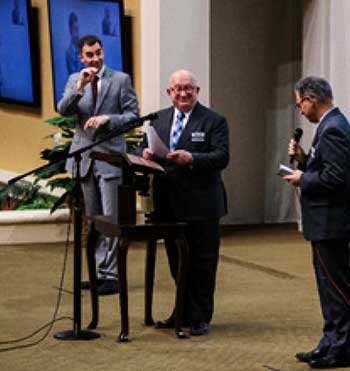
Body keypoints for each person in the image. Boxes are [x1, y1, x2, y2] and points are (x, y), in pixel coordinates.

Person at [140, 69, 229, 336]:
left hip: (203, 205)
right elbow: (142, 149)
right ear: (170, 93)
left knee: (202, 264)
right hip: (168, 204)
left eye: (188, 88)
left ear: (197, 91)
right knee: (177, 262)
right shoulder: (159, 119)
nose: (183, 93)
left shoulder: (214, 120)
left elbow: (222, 157)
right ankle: (182, 311)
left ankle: (200, 316)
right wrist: (144, 155)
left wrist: (193, 159)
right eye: (177, 89)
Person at [58, 35, 139, 295]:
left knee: (110, 219)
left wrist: (108, 119)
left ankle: (111, 275)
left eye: (98, 53)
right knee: (92, 220)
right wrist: (80, 86)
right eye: (89, 55)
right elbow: (63, 110)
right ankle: (96, 273)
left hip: (111, 159)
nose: (95, 59)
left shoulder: (120, 80)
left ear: (103, 52)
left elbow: (132, 117)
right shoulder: (74, 80)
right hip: (84, 159)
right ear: (81, 57)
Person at [284, 76, 350, 368]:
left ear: (311, 99)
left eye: (300, 104)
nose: (301, 111)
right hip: (325, 222)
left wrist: (302, 178)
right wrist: (304, 160)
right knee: (329, 286)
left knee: (336, 287)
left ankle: (341, 347)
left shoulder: (333, 129)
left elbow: (336, 178)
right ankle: (330, 342)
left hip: (331, 222)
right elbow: (327, 169)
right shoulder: (330, 126)